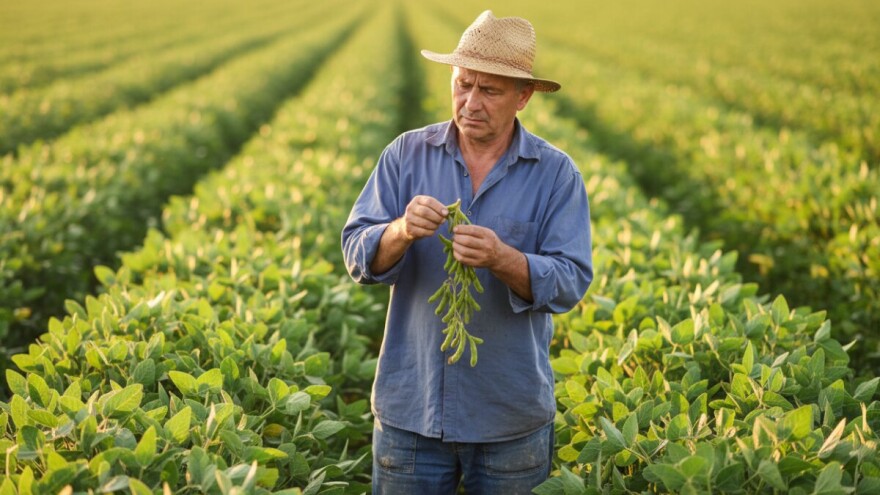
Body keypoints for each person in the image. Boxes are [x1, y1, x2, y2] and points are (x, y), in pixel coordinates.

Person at [341, 10, 593, 495]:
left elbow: (570, 282)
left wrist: (503, 258)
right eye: (462, 84)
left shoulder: (556, 175)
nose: (471, 102)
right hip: (411, 415)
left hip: (508, 421)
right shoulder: (404, 155)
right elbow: (356, 252)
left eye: (490, 91)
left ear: (523, 97)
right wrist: (400, 231)